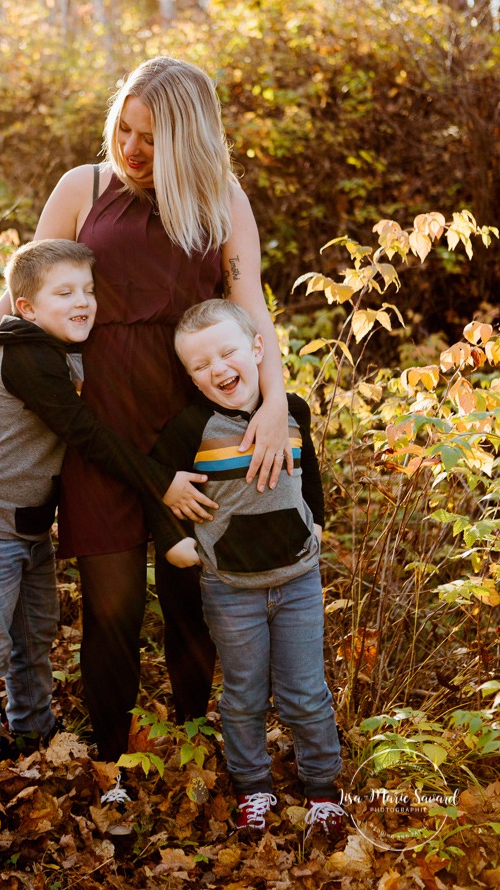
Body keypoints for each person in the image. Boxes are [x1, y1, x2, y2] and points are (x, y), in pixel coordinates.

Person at [0, 56, 291, 774]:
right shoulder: (84, 187)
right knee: (111, 609)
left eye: (151, 138)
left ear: (189, 140)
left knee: (190, 600)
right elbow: (23, 289)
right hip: (95, 433)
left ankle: (191, 743)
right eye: (123, 129)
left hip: (189, 432)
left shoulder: (221, 200)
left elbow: (249, 306)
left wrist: (272, 402)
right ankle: (110, 765)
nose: (130, 149)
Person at [0, 238, 206, 759]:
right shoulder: (28, 357)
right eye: (64, 293)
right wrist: (159, 481)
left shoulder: (52, 342)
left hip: (26, 523)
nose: (83, 302)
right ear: (27, 308)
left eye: (88, 290)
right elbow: (88, 435)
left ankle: (34, 730)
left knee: (34, 635)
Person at [149, 299, 346, 838]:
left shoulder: (292, 409)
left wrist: (319, 524)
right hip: (230, 587)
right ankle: (253, 787)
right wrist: (172, 543)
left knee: (306, 690)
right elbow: (151, 481)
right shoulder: (192, 425)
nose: (218, 369)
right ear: (190, 376)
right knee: (243, 692)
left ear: (258, 349)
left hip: (299, 580)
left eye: (228, 352)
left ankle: (323, 788)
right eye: (200, 365)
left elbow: (310, 475)